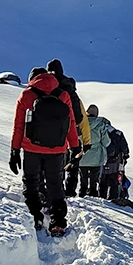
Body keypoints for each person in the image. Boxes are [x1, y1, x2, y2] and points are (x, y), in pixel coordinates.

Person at [9, 67, 78, 235]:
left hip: (31, 148)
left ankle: (36, 217)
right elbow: (70, 123)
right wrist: (74, 146)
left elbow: (19, 126)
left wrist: (14, 151)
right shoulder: (63, 95)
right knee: (55, 184)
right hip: (57, 150)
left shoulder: (26, 95)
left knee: (31, 182)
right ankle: (58, 222)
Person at [46, 59, 90, 196]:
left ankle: (53, 187)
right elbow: (82, 119)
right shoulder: (71, 92)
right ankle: (70, 190)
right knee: (72, 163)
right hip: (70, 133)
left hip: (47, 132)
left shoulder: (44, 88)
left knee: (53, 161)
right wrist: (87, 141)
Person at [79, 105, 111, 198]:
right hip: (97, 156)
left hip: (83, 155)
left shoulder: (81, 123)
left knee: (83, 177)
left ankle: (82, 192)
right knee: (94, 178)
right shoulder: (101, 125)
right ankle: (93, 193)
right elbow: (106, 142)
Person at [100, 124, 130, 202]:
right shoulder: (118, 134)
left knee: (102, 182)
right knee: (114, 182)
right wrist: (125, 155)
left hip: (101, 161)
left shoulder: (100, 132)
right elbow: (125, 148)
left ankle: (101, 198)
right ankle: (113, 199)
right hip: (115, 163)